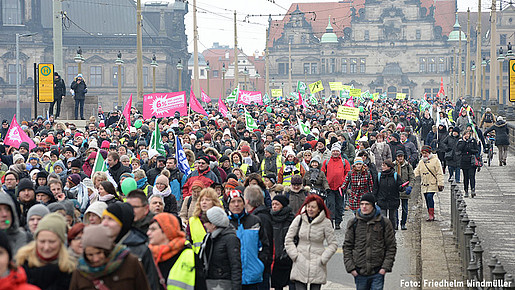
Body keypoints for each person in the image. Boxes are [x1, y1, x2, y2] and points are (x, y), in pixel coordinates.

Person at [69, 224, 150, 290]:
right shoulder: (81, 271)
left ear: (108, 249)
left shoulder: (130, 263)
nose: (95, 259)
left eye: (99, 253)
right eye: (90, 255)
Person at [101, 202, 161, 290]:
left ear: (123, 222)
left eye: (110, 219)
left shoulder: (140, 249)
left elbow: (150, 284)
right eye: (103, 218)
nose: (104, 223)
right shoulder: (99, 247)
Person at [343, 193, 397, 290]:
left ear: (373, 205)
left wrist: (384, 268)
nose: (364, 207)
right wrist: (351, 268)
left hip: (377, 271)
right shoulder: (354, 223)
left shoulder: (383, 222)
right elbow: (347, 246)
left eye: (367, 204)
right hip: (360, 271)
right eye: (362, 204)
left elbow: (391, 246)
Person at [284, 194, 337, 290]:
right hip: (300, 262)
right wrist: (295, 255)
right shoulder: (299, 219)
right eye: (308, 206)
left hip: (318, 264)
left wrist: (323, 259)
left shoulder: (326, 222)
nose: (310, 209)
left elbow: (333, 244)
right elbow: (288, 239)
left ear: (319, 209)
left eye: (313, 207)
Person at [15, 213, 76, 289]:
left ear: (61, 242)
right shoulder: (21, 263)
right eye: (42, 241)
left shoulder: (70, 268)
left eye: (52, 242)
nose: (46, 247)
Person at [147, 213, 207, 290]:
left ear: (167, 230)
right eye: (149, 229)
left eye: (153, 229)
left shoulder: (189, 256)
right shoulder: (148, 254)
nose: (148, 233)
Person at [227, 189, 270, 289]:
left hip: (253, 276)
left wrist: (260, 264)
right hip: (232, 278)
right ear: (228, 204)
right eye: (233, 202)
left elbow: (264, 245)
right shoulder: (225, 224)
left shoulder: (255, 221)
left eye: (239, 201)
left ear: (244, 203)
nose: (236, 204)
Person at [199, 206, 242, 290]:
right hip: (209, 283)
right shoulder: (209, 238)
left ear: (213, 224)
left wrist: (236, 287)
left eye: (206, 222)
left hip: (223, 284)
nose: (204, 225)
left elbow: (235, 266)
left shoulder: (230, 239)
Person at [245, 185, 274, 290]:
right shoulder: (258, 215)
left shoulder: (260, 218)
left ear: (247, 200)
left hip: (259, 270)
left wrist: (260, 264)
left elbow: (265, 244)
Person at [321, 142, 351, 230]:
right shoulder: (326, 162)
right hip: (329, 188)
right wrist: (325, 184)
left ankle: (338, 222)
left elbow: (348, 173)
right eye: (333, 151)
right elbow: (322, 173)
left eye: (337, 151)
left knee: (339, 206)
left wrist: (343, 184)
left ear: (339, 152)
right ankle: (330, 221)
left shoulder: (344, 161)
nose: (335, 152)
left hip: (340, 188)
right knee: (330, 205)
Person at [187, 188, 222, 254]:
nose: (204, 202)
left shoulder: (220, 219)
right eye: (202, 200)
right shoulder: (192, 220)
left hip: (217, 258)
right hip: (198, 259)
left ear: (214, 202)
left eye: (207, 200)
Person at [270, 195, 295, 289]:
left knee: (292, 283)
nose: (274, 206)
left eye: (277, 204)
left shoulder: (291, 219)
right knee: (277, 284)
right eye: (273, 204)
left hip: (289, 256)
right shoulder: (270, 218)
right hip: (275, 256)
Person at [414, 145, 444, 220]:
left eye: (425, 153)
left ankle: (431, 214)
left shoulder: (436, 160)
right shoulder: (421, 162)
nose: (424, 155)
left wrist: (440, 183)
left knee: (429, 197)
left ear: (429, 152)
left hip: (432, 183)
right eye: (423, 153)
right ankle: (429, 213)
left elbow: (439, 173)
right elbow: (416, 171)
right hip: (424, 183)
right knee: (426, 199)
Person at [373, 160, 402, 229]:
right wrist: (373, 199)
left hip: (393, 200)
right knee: (383, 218)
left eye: (384, 165)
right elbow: (375, 189)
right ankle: (383, 233)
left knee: (392, 218)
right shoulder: (379, 176)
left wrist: (402, 188)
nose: (382, 167)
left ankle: (391, 232)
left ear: (389, 167)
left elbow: (399, 187)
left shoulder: (395, 176)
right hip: (382, 200)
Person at [393, 150, 415, 230]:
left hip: (405, 190)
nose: (400, 158)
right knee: (395, 208)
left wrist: (410, 187)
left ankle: (403, 223)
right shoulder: (393, 165)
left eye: (401, 156)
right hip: (395, 191)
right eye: (399, 156)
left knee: (405, 209)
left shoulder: (408, 166)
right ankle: (396, 223)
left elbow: (412, 177)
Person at [456, 130, 479, 197]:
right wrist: (464, 142)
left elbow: (476, 149)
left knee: (472, 176)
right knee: (465, 177)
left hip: (471, 160)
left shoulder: (473, 140)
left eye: (468, 134)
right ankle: (466, 190)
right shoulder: (460, 141)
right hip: (464, 160)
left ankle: (472, 189)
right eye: (466, 134)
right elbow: (459, 149)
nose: (467, 135)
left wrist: (471, 150)